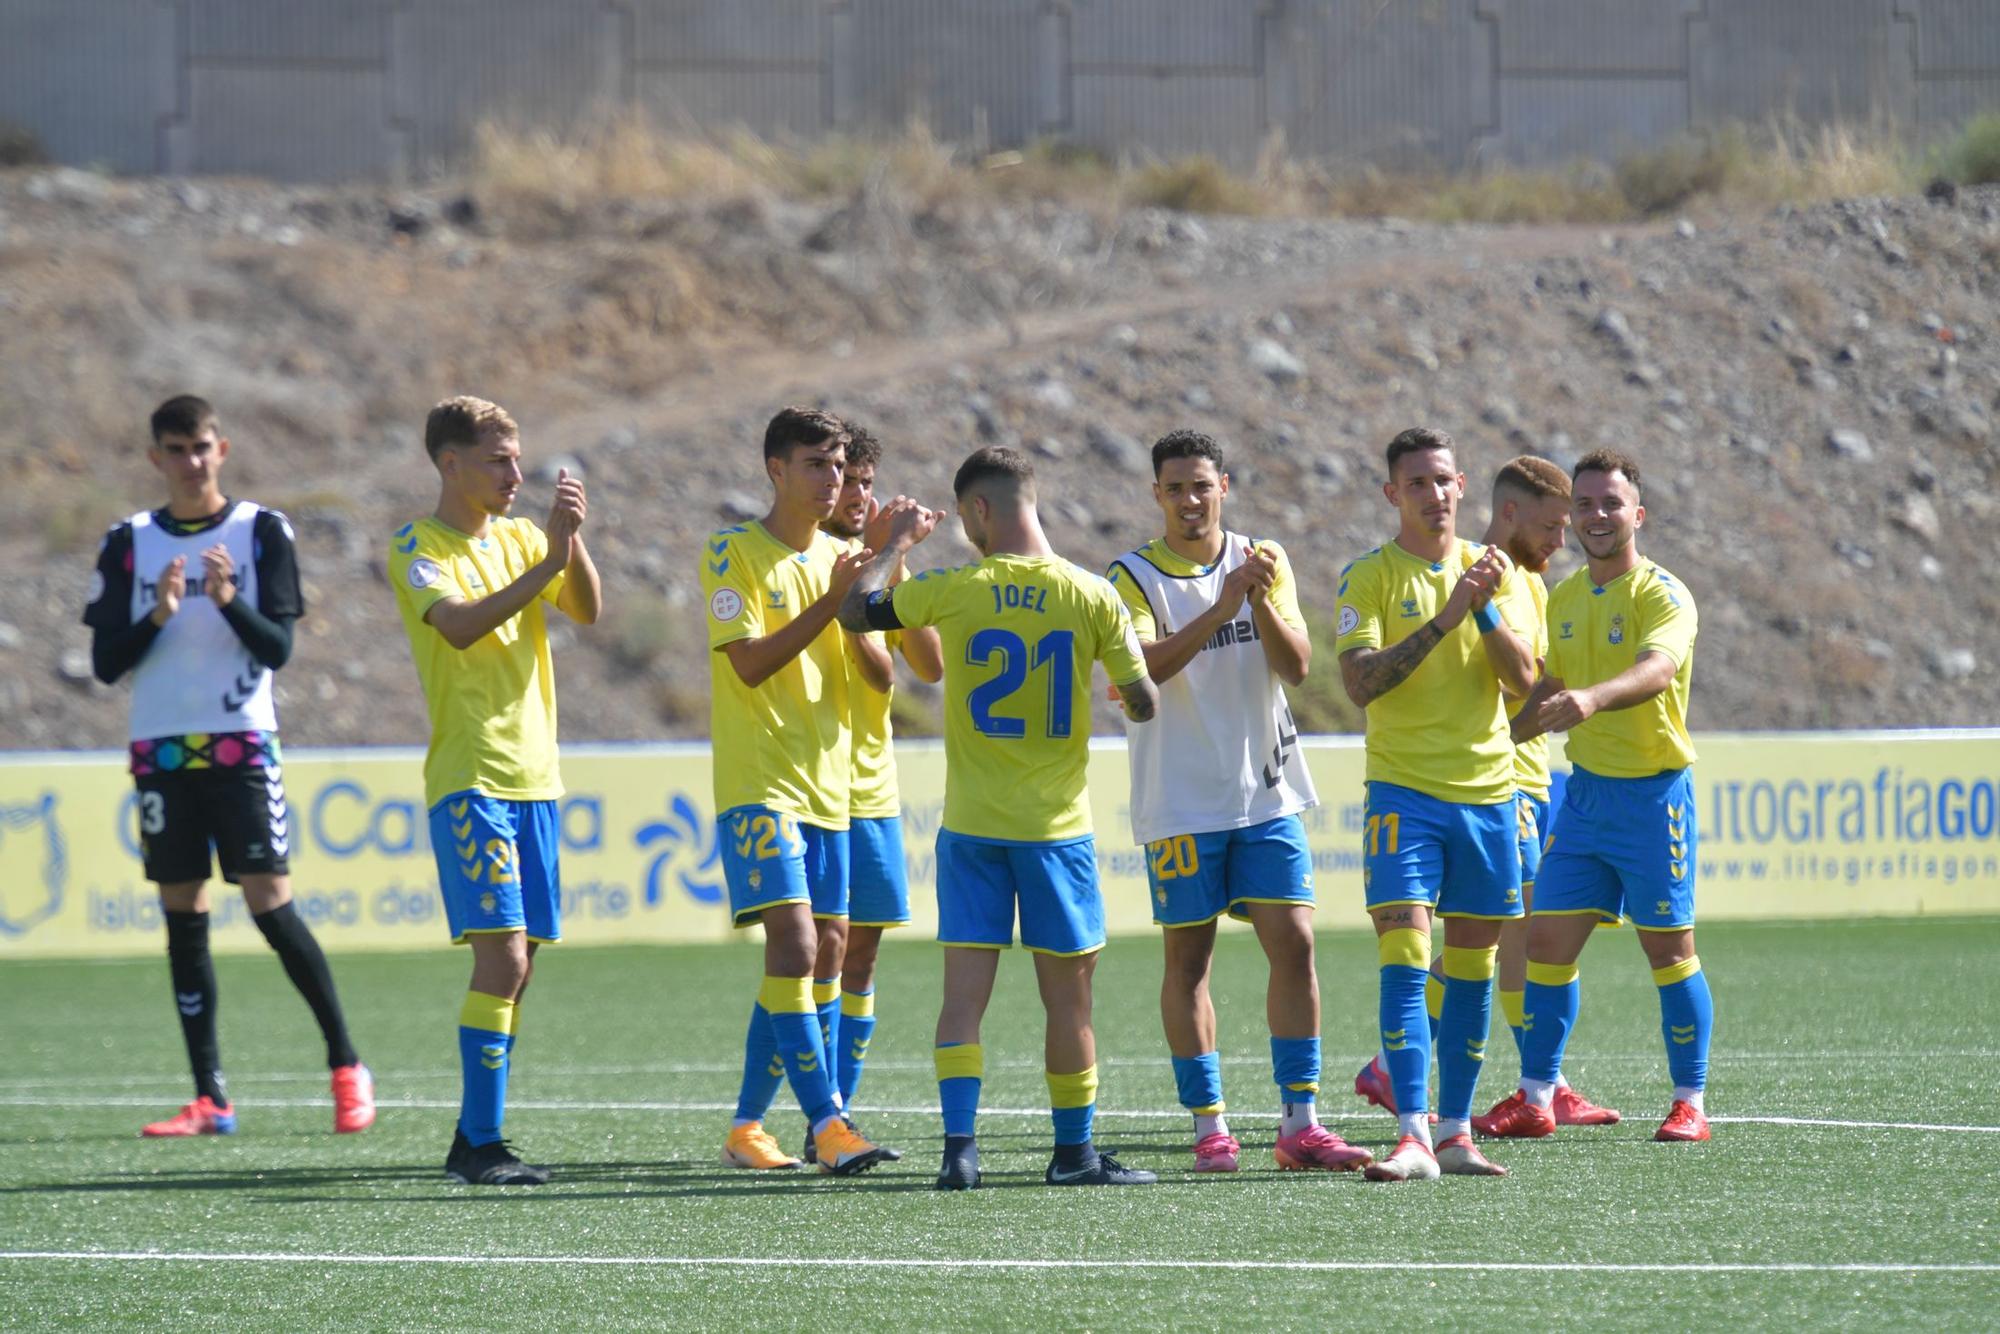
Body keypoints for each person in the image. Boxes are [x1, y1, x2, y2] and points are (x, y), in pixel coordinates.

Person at [839, 446, 1162, 1190]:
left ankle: (961, 1152)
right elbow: (1142, 700)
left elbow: (857, 607)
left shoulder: (957, 588)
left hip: (972, 829)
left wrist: (892, 546)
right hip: (1055, 832)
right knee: (1069, 1000)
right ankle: (1073, 1156)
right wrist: (1122, 694)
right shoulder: (1091, 594)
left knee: (962, 997)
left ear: (979, 510)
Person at [85, 394, 373, 1139]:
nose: (191, 461)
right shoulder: (129, 541)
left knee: (270, 902)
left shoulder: (260, 531)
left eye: (202, 446)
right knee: (183, 914)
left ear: (223, 449)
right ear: (156, 458)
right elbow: (104, 662)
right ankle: (210, 1096)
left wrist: (227, 601)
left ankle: (346, 1064)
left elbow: (277, 650)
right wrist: (158, 613)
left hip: (240, 747)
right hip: (162, 751)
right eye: (176, 449)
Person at [1106, 430, 1370, 1175]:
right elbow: (1138, 676)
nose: (1191, 500)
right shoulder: (1129, 576)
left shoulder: (1263, 559)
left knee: (1297, 944)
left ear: (1225, 486)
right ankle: (1210, 1124)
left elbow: (1297, 664)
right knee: (1189, 962)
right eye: (1175, 488)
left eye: (1202, 485)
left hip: (1266, 793)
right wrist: (1223, 608)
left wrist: (1255, 598)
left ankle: (1301, 1123)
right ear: (1157, 496)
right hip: (1181, 802)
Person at [1354, 455, 1619, 1127]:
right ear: (1509, 514)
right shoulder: (1479, 577)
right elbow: (1516, 693)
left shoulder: (1530, 583)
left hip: (1519, 780)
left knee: (1508, 937)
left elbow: (1533, 675)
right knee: (1517, 934)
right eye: (1553, 525)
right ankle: (1528, 1079)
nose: (1562, 539)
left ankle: (1533, 1079)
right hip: (1490, 783)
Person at [387, 395, 601, 1185]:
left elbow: (585, 607)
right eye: (497, 461)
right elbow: (460, 625)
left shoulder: (522, 537)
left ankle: (475, 1135)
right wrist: (546, 562)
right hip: (472, 777)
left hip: (536, 778)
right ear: (450, 464)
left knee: (522, 964)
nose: (517, 474)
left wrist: (566, 545)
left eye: (518, 459)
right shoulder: (417, 546)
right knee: (503, 958)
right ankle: (479, 1142)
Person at [1473, 449, 1713, 1144]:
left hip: (1653, 799)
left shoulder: (1664, 594)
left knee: (1669, 951)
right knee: (1545, 942)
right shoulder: (1565, 598)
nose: (1596, 516)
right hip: (1583, 803)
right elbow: (1548, 691)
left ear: (1638, 513)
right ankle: (1537, 1095)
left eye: (1611, 503)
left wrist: (1590, 699)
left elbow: (1658, 669)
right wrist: (1497, 741)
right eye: (1584, 504)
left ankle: (1690, 1101)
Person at [1333, 427, 1534, 1182]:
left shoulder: (1498, 576)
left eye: (1444, 480)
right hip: (1404, 795)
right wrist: (1448, 615)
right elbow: (1360, 684)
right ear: (1394, 495)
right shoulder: (1369, 577)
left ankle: (1455, 1131)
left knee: (1475, 969)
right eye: (1416, 483)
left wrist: (1481, 609)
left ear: (1462, 486)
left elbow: (1523, 680)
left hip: (1486, 794)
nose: (1434, 494)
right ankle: (1412, 1133)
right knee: (1408, 958)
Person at [702, 407, 893, 1177]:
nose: (834, 481)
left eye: (840, 467)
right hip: (761, 784)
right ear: (776, 469)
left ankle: (748, 1125)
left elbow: (888, 680)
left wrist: (877, 575)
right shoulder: (733, 553)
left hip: (831, 788)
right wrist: (834, 599)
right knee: (799, 944)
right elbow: (748, 664)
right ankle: (828, 1125)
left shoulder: (845, 561)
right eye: (818, 464)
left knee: (826, 954)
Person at [817, 423, 943, 1146]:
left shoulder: (879, 566)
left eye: (867, 483)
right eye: (848, 482)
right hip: (817, 781)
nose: (858, 495)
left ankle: (838, 1106)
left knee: (862, 950)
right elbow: (881, 671)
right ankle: (815, 1114)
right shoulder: (822, 563)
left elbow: (927, 664)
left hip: (872, 782)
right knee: (817, 951)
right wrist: (885, 556)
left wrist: (896, 568)